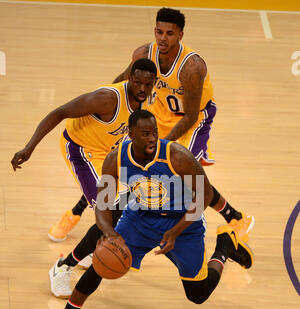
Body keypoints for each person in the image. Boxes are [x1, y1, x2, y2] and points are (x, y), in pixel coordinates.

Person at [30, 109, 254, 309]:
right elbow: (103, 205)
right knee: (98, 265)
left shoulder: (177, 156)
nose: (151, 138)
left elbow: (206, 195)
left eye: (154, 133)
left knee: (198, 294)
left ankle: (224, 246)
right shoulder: (115, 159)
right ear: (130, 134)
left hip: (182, 223)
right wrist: (109, 232)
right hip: (139, 219)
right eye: (145, 133)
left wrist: (176, 231)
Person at [48, 7, 254, 243]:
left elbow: (190, 116)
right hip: (159, 112)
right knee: (115, 162)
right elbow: (122, 83)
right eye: (159, 32)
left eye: (169, 33)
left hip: (193, 119)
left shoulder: (191, 68)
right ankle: (75, 213)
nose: (163, 38)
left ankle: (236, 218)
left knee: (184, 173)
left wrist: (162, 148)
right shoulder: (144, 54)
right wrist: (113, 107)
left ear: (180, 35)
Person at [11, 58, 158, 296]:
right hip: (81, 151)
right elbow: (60, 112)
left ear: (154, 83)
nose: (142, 88)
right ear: (129, 78)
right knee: (108, 211)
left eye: (148, 84)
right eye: (138, 82)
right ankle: (62, 267)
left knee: (128, 203)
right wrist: (29, 148)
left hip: (108, 152)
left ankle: (91, 247)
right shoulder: (107, 98)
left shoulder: (144, 98)